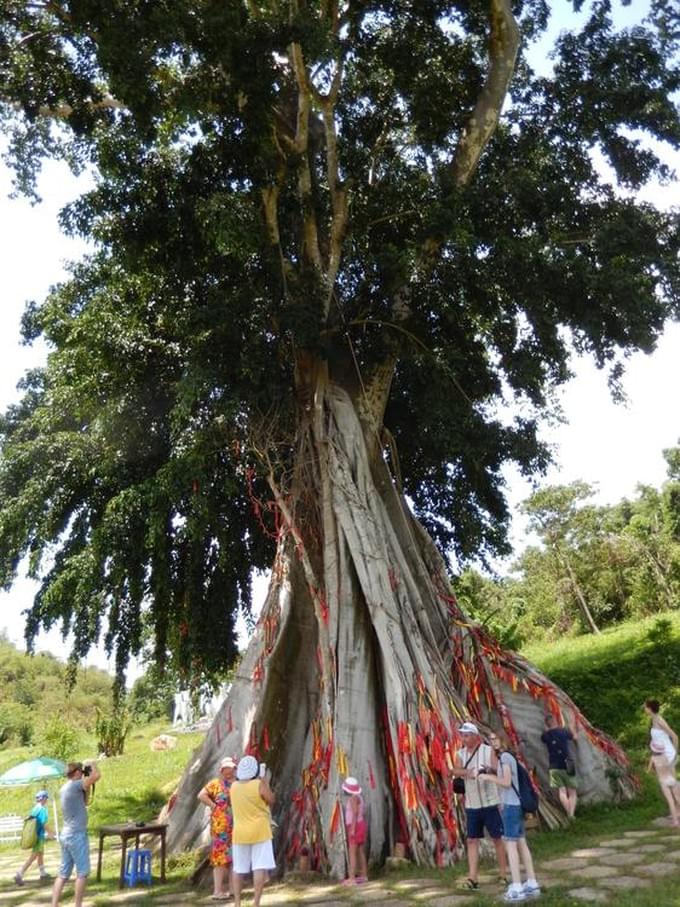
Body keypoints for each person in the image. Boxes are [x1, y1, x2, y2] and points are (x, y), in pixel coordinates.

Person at [476, 730, 540, 903]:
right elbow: (508, 779)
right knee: (521, 843)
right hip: (516, 806)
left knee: (510, 845)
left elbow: (505, 782)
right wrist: (492, 771)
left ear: (503, 739)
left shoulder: (504, 757)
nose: (493, 741)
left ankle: (517, 886)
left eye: (496, 738)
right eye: (491, 739)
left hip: (511, 806)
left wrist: (487, 777)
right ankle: (532, 882)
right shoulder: (510, 757)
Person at [452, 721, 508, 891]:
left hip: (490, 801)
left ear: (475, 736)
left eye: (467, 735)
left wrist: (485, 771)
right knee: (471, 840)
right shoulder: (460, 754)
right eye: (462, 735)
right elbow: (456, 771)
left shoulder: (487, 750)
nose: (463, 738)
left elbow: (496, 769)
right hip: (472, 803)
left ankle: (503, 874)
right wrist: (468, 772)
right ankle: (473, 877)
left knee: (497, 838)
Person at [51, 761, 100, 907]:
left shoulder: (65, 788)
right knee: (82, 873)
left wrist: (88, 785)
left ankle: (54, 904)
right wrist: (93, 764)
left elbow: (85, 802)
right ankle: (78, 905)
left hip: (66, 835)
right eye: (82, 771)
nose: (83, 773)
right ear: (77, 772)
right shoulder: (75, 785)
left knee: (63, 873)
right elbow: (97, 775)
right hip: (77, 835)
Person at [230, 755, 275, 907]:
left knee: (238, 868)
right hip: (260, 831)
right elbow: (271, 799)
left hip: (240, 832)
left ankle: (237, 902)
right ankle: (256, 902)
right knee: (259, 867)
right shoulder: (258, 784)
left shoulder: (234, 787)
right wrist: (264, 781)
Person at [198, 755, 237, 901]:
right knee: (220, 858)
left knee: (235, 857)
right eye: (225, 769)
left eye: (231, 768)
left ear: (235, 769)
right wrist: (213, 806)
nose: (228, 771)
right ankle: (218, 890)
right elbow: (201, 795)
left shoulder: (238, 783)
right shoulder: (215, 784)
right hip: (220, 828)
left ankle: (233, 889)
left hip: (237, 825)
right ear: (221, 770)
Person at [541, 713, 578, 818]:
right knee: (572, 792)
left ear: (546, 724)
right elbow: (575, 737)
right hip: (568, 762)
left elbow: (544, 736)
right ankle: (571, 814)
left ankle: (570, 815)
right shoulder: (563, 732)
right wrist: (571, 727)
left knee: (562, 792)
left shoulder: (545, 736)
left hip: (554, 764)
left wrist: (547, 729)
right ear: (556, 721)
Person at [14, 790, 54, 886]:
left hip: (33, 835)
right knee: (34, 856)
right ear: (43, 799)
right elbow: (44, 823)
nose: (46, 800)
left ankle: (43, 873)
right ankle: (20, 873)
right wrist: (51, 833)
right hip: (38, 836)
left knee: (40, 854)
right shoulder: (43, 810)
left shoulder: (35, 809)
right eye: (46, 798)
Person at [340, 776, 368, 885]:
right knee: (361, 851)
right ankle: (364, 875)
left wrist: (352, 828)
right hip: (361, 825)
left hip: (354, 826)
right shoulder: (359, 797)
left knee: (352, 852)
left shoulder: (353, 798)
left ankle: (352, 878)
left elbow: (355, 812)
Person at [648, 738, 680, 826]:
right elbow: (669, 767)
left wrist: (655, 771)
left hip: (663, 781)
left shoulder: (653, 758)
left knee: (671, 801)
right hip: (671, 779)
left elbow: (649, 771)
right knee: (678, 799)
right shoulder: (665, 756)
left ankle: (675, 822)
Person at [645, 699, 678, 766]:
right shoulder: (653, 719)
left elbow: (675, 737)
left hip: (668, 755)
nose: (644, 709)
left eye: (646, 707)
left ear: (650, 708)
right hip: (661, 754)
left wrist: (674, 756)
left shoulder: (660, 721)